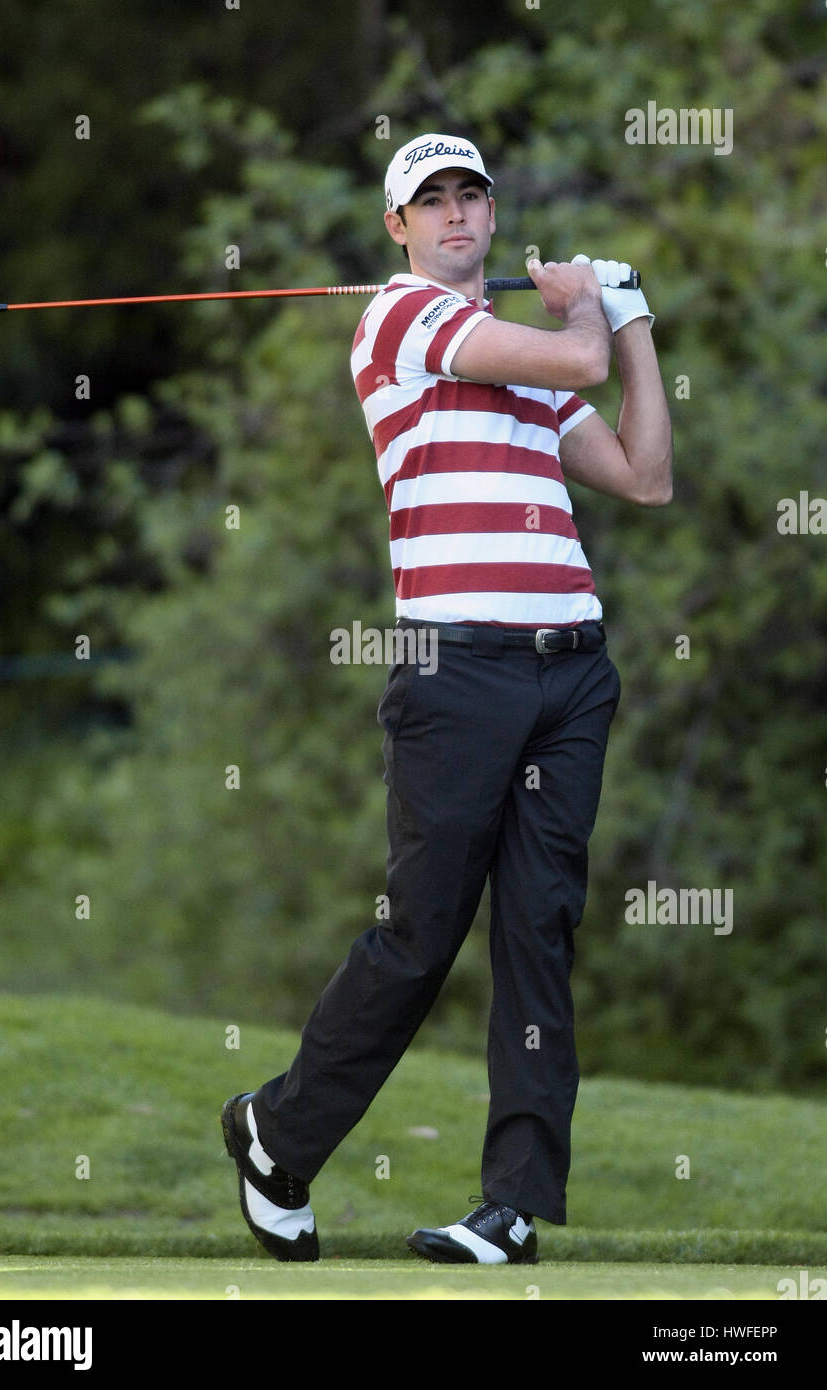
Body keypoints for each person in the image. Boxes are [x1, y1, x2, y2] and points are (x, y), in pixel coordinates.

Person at [221, 132, 672, 1265]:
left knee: (539, 931)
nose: (458, 215)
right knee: (421, 932)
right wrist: (588, 311)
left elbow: (644, 474)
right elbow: (574, 363)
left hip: (571, 668)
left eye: (471, 195)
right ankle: (278, 1131)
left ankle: (512, 1210)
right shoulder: (402, 320)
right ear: (400, 229)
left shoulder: (520, 360)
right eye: (433, 202)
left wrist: (634, 321)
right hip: (455, 670)